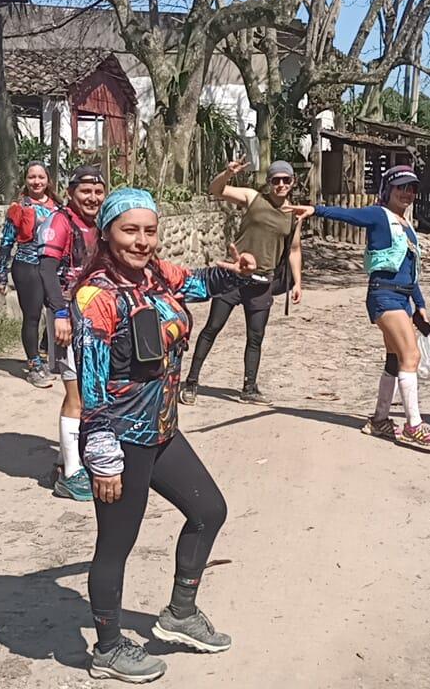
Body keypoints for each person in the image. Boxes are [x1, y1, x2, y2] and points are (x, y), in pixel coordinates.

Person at [73, 188, 260, 683]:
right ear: (106, 234)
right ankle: (107, 649)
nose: (141, 241)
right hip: (120, 439)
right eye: (129, 231)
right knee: (116, 545)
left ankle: (180, 613)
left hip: (161, 431)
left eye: (149, 231)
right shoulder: (96, 298)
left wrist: (234, 272)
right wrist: (102, 453)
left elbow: (197, 283)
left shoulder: (155, 275)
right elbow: (90, 387)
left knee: (209, 510)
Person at [289, 165, 430, 449]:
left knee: (394, 360)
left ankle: (380, 420)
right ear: (388, 190)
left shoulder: (406, 225)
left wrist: (420, 304)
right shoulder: (378, 215)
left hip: (402, 297)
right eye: (401, 187)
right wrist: (315, 210)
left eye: (412, 188)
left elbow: (409, 269)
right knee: (411, 356)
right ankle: (414, 425)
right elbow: (349, 215)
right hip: (384, 296)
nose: (407, 193)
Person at [180, 159, 304, 406]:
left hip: (262, 282)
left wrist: (298, 283)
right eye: (276, 180)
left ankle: (249, 387)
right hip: (233, 278)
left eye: (286, 180)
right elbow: (216, 190)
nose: (281, 184)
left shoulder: (294, 215)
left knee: (255, 337)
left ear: (293, 182)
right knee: (212, 328)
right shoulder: (253, 197)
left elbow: (294, 249)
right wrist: (227, 173)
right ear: (268, 182)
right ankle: (191, 382)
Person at [40, 166, 105, 502]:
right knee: (76, 395)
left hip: (97, 318)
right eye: (85, 192)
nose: (93, 198)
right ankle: (71, 474)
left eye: (98, 192)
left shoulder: (101, 224)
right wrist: (60, 314)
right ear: (70, 192)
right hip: (69, 317)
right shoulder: (61, 222)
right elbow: (47, 270)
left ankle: (71, 457)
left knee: (95, 393)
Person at [0, 161, 61, 388]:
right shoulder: (19, 208)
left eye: (41, 177)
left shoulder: (59, 208)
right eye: (32, 177)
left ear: (48, 180)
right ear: (25, 180)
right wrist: (1, 274)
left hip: (53, 267)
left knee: (58, 310)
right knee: (32, 316)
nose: (36, 182)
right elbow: (6, 242)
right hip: (27, 266)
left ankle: (44, 352)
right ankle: (33, 366)